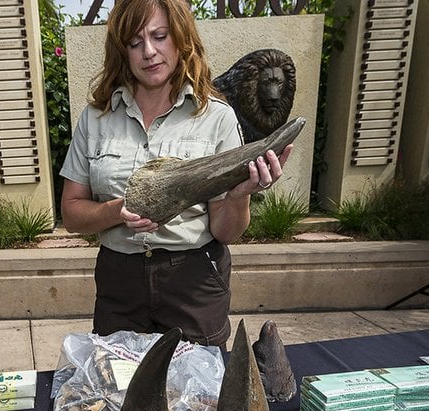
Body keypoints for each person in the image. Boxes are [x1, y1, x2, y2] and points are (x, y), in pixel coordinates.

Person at [59, 0, 292, 348]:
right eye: (135, 43)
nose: (149, 52)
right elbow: (72, 213)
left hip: (193, 280)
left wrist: (240, 193)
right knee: (121, 389)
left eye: (159, 36)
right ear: (122, 51)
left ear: (180, 38)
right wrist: (115, 212)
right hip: (119, 280)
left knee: (198, 395)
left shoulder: (217, 117)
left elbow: (224, 230)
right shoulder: (96, 118)